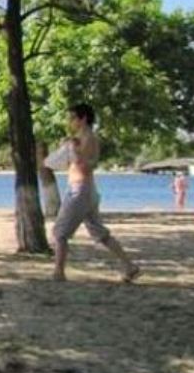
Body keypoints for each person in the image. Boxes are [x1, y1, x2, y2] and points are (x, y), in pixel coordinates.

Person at [49, 104, 140, 283]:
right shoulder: (82, 137)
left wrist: (73, 149)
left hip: (79, 190)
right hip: (86, 189)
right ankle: (129, 266)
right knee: (100, 233)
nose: (70, 122)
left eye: (73, 118)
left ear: (83, 119)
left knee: (60, 233)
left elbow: (86, 164)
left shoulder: (88, 137)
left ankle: (58, 272)